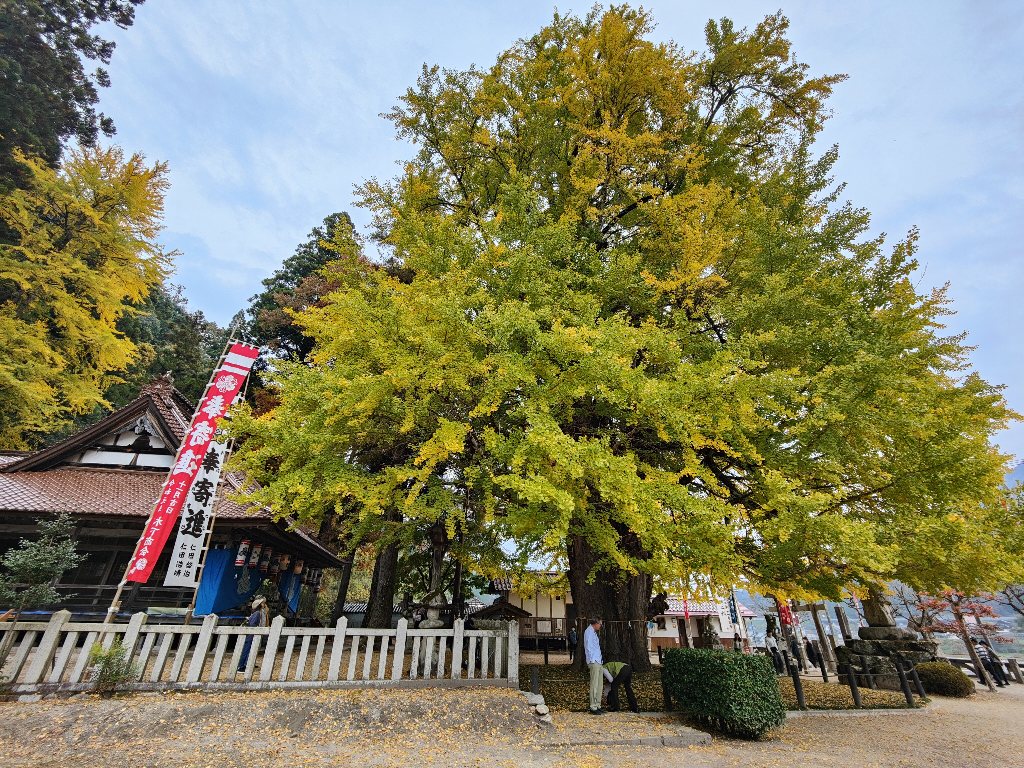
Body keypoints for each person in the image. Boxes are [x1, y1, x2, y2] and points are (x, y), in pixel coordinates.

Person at [237, 595, 269, 673]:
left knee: (251, 649)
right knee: (247, 649)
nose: (264, 604)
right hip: (252, 634)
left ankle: (247, 663)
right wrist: (256, 631)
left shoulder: (259, 612)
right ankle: (241, 666)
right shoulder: (257, 613)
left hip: (254, 634)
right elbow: (253, 624)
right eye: (262, 603)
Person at [584, 617, 605, 715]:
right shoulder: (588, 632)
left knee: (599, 684)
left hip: (598, 661)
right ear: (595, 623)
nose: (600, 626)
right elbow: (589, 647)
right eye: (600, 624)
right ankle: (593, 706)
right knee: (594, 684)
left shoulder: (593, 632)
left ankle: (598, 705)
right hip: (594, 661)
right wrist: (592, 660)